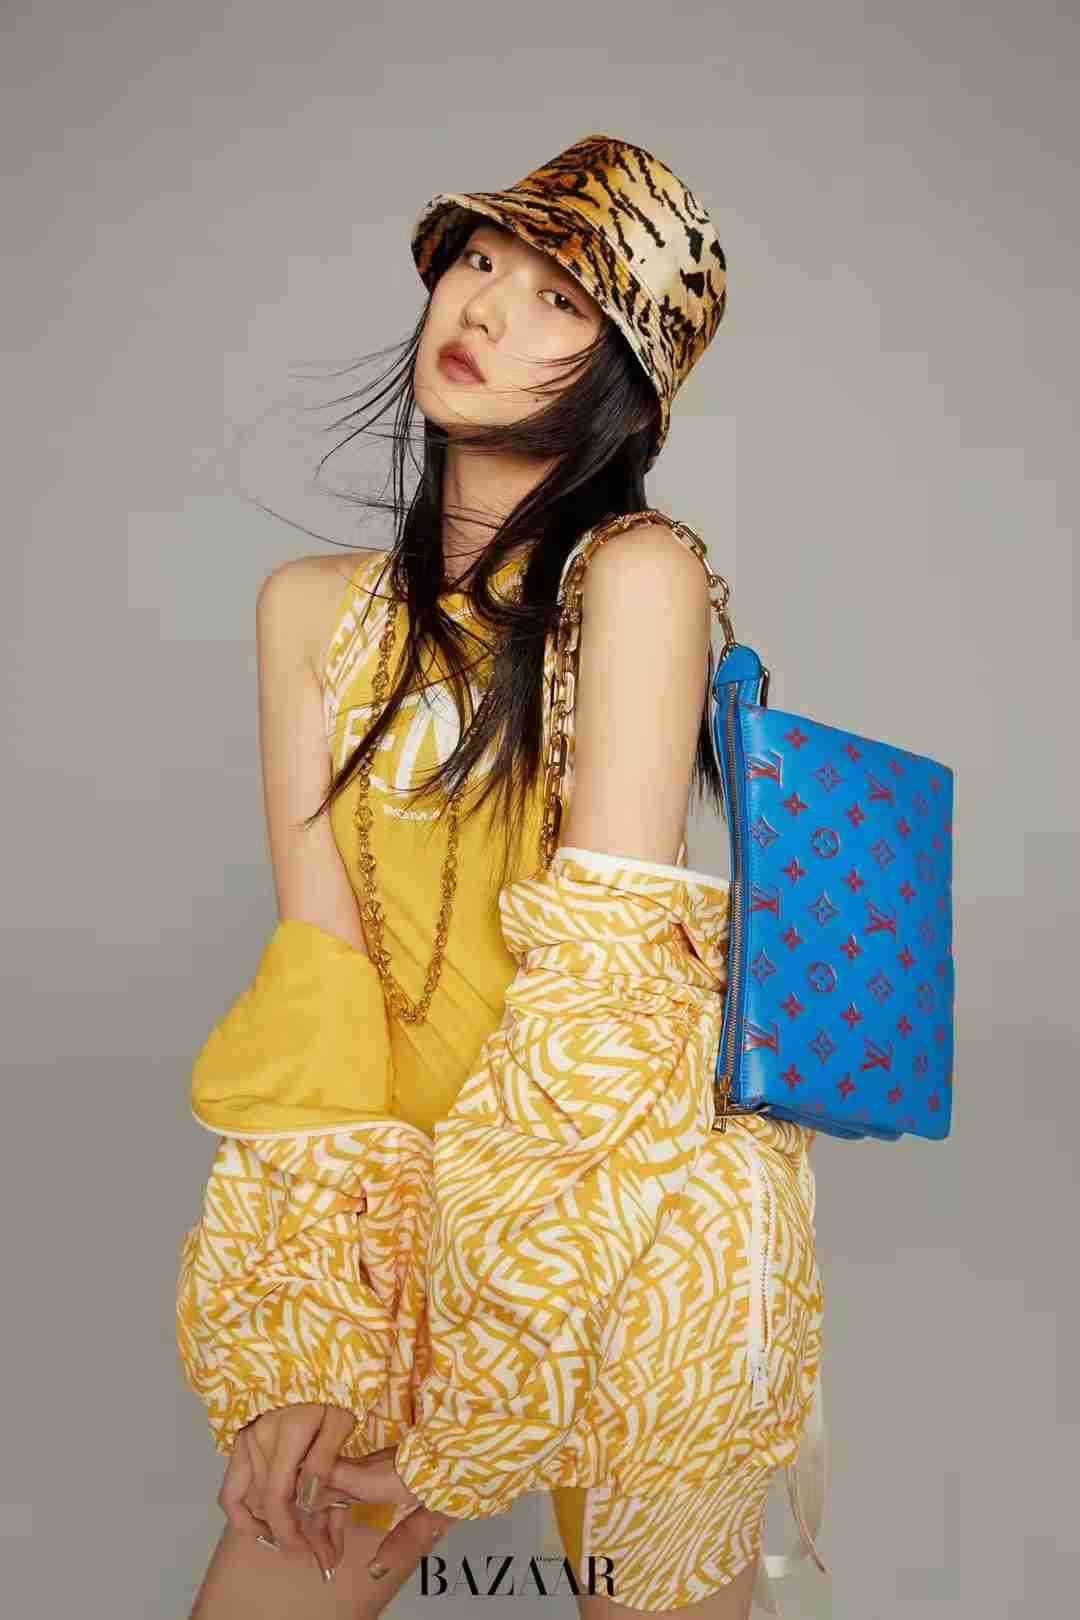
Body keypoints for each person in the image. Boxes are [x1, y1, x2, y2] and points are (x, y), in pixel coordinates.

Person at [177, 132, 827, 1619]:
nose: (483, 308)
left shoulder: (639, 576)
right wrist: (316, 1340)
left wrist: (486, 1396)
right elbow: (322, 975)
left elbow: (606, 1002)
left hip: (631, 1227)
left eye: (558, 301)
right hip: (399, 1222)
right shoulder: (307, 613)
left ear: (625, 383)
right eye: (478, 262)